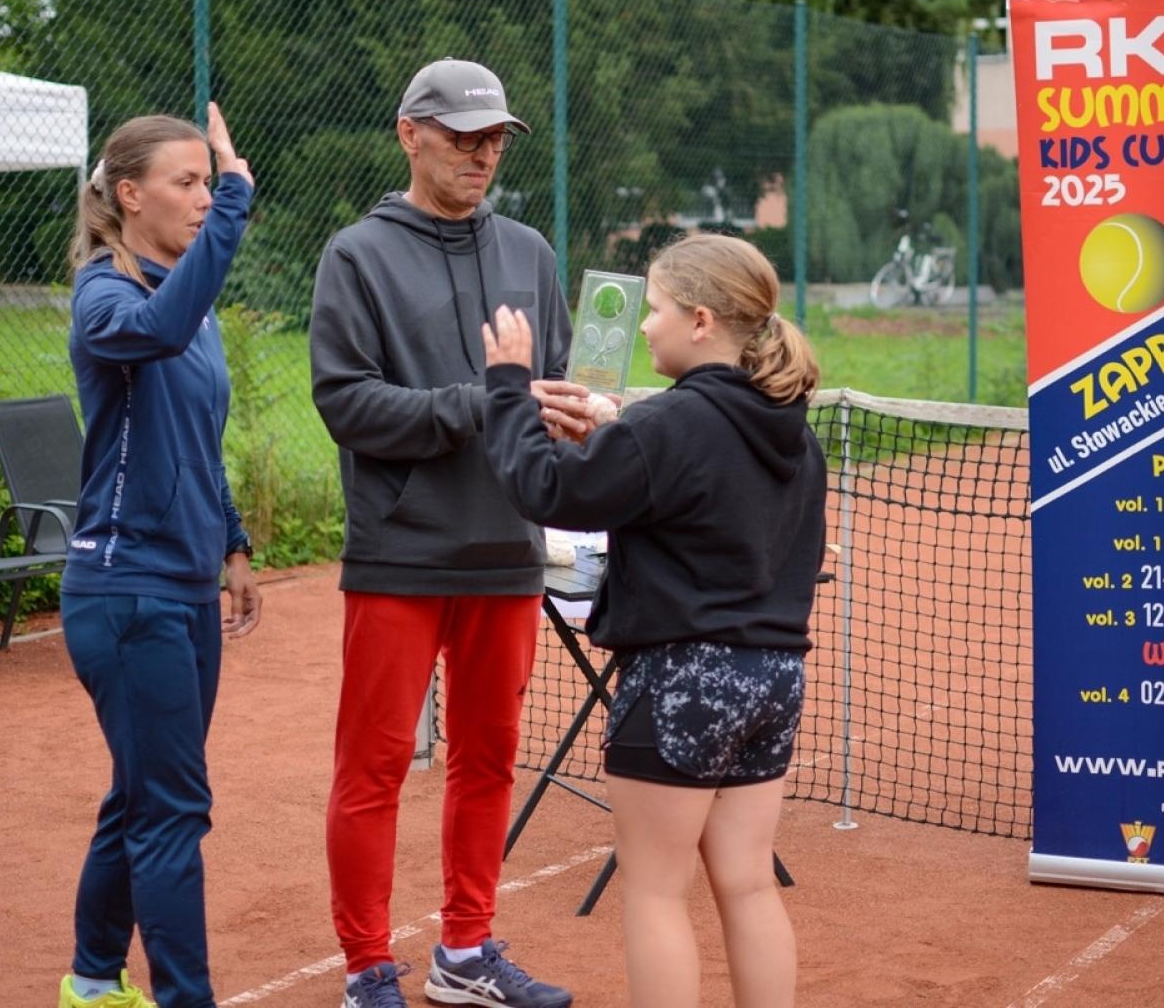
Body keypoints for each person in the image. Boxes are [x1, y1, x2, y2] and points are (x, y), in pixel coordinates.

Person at [479, 233, 827, 1008]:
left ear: (701, 320)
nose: (644, 325)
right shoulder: (793, 433)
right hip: (773, 678)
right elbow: (690, 482)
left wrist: (507, 389)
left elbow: (544, 490)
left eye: (659, 308)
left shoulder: (668, 426)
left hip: (680, 681)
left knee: (656, 891)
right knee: (745, 885)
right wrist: (611, 428)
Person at [309, 57, 589, 1008]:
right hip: (400, 551)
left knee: (488, 761)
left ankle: (465, 954)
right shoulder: (356, 256)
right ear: (410, 133)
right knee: (375, 767)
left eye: (494, 139)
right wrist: (481, 404)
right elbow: (347, 404)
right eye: (463, 137)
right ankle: (364, 969)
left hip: (506, 548)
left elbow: (544, 386)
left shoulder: (532, 253)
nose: (481, 154)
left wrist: (574, 414)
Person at [56, 103, 262, 1008]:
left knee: (143, 797)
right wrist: (238, 204)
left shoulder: (190, 305)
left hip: (182, 586)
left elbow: (196, 444)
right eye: (187, 182)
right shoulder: (106, 297)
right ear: (129, 195)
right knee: (173, 810)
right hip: (123, 588)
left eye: (208, 183)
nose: (202, 197)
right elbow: (166, 328)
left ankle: (95, 982)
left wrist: (234, 545)